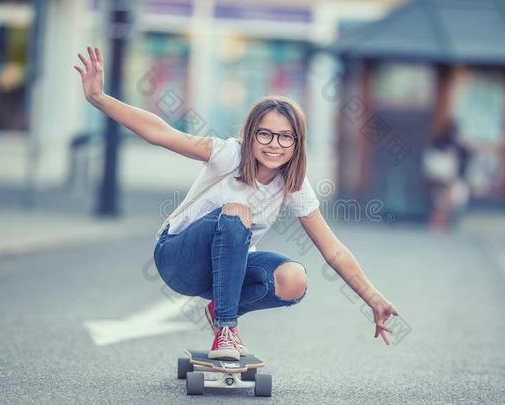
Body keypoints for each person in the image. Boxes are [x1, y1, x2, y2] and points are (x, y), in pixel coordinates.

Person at [74, 46, 399, 360]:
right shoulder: (229, 154)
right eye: (265, 134)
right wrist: (99, 98)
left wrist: (372, 298)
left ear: (297, 143)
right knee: (237, 212)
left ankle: (220, 309)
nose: (274, 144)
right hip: (177, 257)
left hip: (224, 271)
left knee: (293, 278)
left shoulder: (294, 184)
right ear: (251, 135)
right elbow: (161, 133)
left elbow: (334, 250)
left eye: (285, 136)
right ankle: (226, 329)